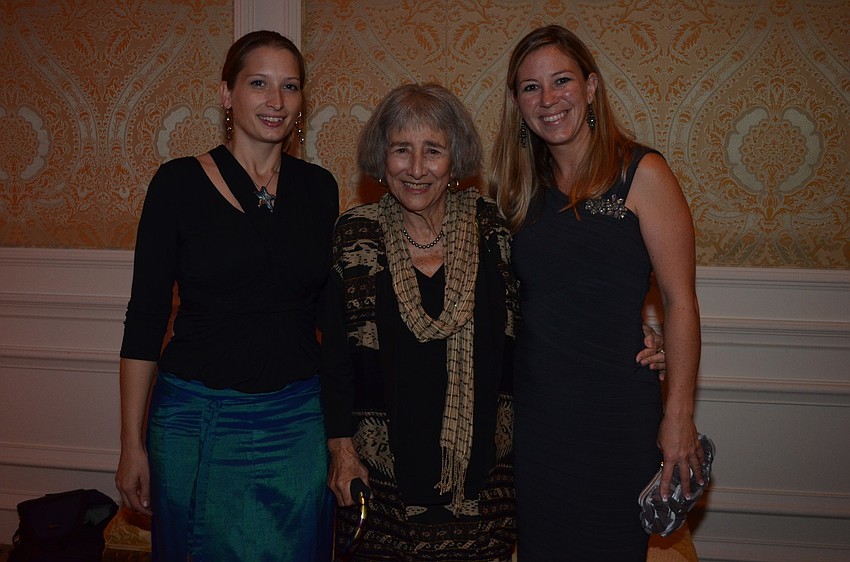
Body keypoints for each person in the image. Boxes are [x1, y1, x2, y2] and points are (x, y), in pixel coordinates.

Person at [115, 30, 337, 561]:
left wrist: (344, 437)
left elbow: (333, 317)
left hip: (298, 421)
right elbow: (145, 319)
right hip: (198, 421)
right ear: (226, 95)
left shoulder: (320, 188)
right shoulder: (176, 184)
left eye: (290, 86)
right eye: (258, 83)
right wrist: (130, 444)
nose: (276, 101)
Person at [488, 24, 704, 560]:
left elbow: (681, 303)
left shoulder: (642, 172)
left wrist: (678, 415)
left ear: (591, 86)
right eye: (530, 87)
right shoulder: (517, 190)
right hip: (538, 415)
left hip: (615, 414)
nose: (548, 99)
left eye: (561, 80)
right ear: (517, 103)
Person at [320, 83, 519, 561]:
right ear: (381, 157)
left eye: (433, 151)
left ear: (455, 160)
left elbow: (544, 318)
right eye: (401, 150)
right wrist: (341, 452)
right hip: (382, 479)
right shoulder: (355, 235)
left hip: (483, 479)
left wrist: (632, 330)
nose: (415, 169)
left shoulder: (492, 228)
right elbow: (334, 360)